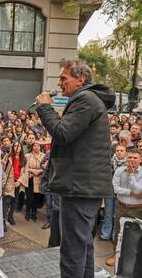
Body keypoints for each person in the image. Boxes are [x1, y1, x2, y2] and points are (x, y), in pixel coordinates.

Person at [36, 59, 115, 277]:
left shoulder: (85, 99)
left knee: (72, 251)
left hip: (79, 187)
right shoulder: (89, 99)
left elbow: (62, 133)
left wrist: (45, 107)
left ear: (80, 80)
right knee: (84, 248)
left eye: (64, 78)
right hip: (84, 185)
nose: (59, 83)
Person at [106, 148, 142, 266]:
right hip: (121, 206)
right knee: (118, 232)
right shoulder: (120, 170)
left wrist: (131, 175)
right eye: (130, 157)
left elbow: (138, 189)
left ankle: (133, 259)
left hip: (137, 209)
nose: (131, 159)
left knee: (136, 233)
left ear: (140, 159)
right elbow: (116, 189)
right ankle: (115, 254)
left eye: (135, 157)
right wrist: (132, 193)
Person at [100, 145, 127, 242]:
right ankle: (105, 235)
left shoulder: (128, 164)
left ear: (126, 152)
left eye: (122, 150)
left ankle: (115, 236)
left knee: (117, 215)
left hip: (121, 192)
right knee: (108, 213)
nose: (119, 152)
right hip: (109, 190)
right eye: (117, 150)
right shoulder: (110, 163)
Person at [1, 141, 28, 229]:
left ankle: (10, 216)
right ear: (13, 147)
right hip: (9, 183)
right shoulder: (8, 157)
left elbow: (25, 172)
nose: (17, 147)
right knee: (6, 202)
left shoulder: (24, 159)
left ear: (21, 148)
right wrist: (5, 181)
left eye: (19, 146)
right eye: (15, 146)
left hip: (17, 183)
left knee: (15, 201)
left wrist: (19, 182)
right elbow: (3, 170)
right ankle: (3, 220)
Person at [25, 142, 44, 222]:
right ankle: (27, 212)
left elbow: (47, 166)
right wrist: (32, 170)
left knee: (37, 197)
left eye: (38, 146)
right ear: (32, 147)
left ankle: (34, 213)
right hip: (30, 178)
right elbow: (25, 167)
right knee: (30, 197)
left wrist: (40, 171)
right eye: (35, 146)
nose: (36, 147)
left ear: (40, 147)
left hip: (39, 178)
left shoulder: (44, 155)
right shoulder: (28, 156)